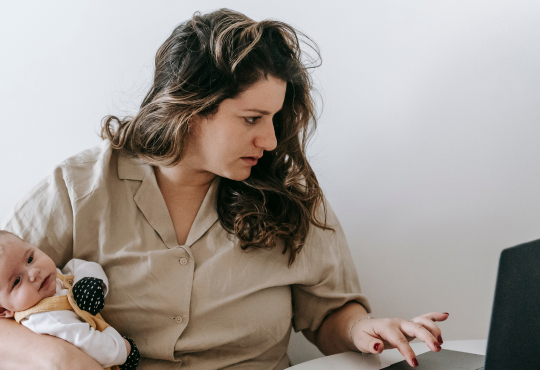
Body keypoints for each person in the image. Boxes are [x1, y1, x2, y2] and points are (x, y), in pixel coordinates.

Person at [0, 8, 448, 369]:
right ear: (190, 108)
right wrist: (56, 356)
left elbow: (330, 313)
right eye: (252, 119)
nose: (270, 141)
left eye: (274, 119)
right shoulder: (77, 187)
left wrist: (361, 330)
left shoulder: (289, 192)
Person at [0, 231, 140, 370]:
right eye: (17, 281)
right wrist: (123, 348)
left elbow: (80, 266)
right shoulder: (44, 318)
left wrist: (87, 283)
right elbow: (89, 343)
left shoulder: (50, 278)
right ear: (4, 310)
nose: (34, 272)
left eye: (30, 259)